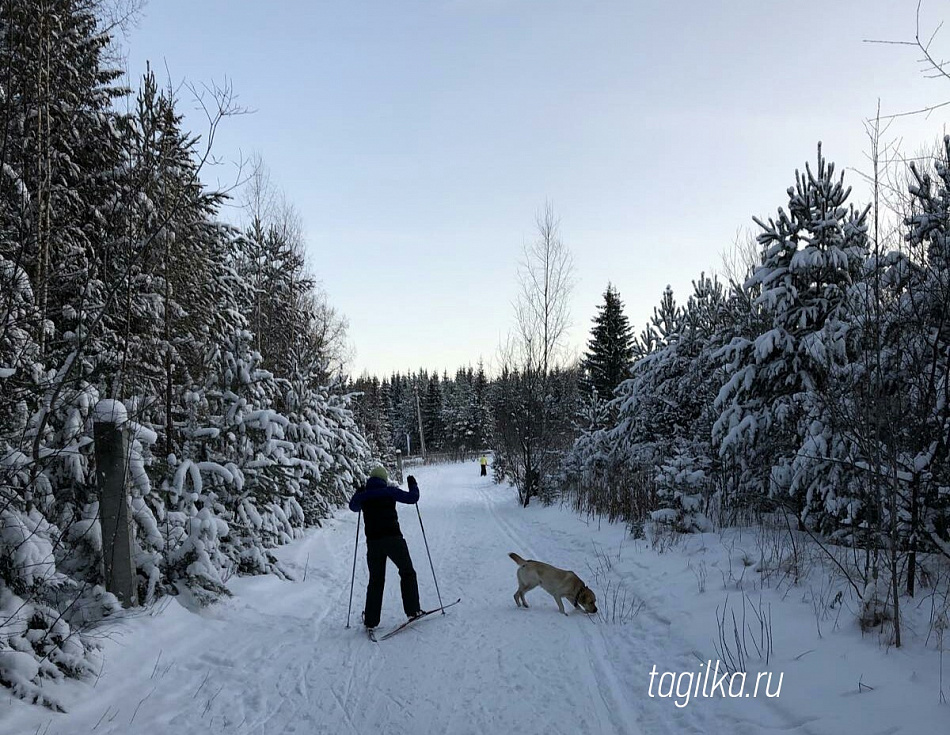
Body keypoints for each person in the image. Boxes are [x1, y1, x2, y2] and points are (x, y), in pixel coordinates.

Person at [349, 466, 423, 631]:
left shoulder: (364, 495)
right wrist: (413, 484)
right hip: (394, 540)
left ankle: (371, 621)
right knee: (407, 572)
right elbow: (413, 498)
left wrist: (358, 492)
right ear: (383, 479)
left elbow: (353, 507)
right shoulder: (389, 491)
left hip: (373, 543)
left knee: (376, 580)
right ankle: (413, 611)